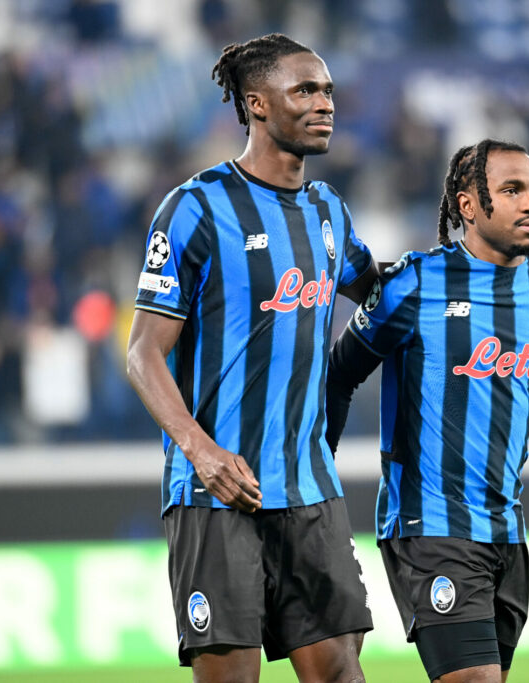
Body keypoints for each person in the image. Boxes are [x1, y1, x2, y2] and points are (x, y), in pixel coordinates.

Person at [325, 139, 529, 683]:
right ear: (468, 206)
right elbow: (337, 378)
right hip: (429, 524)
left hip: (506, 531)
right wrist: (317, 484)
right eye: (512, 191)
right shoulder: (415, 284)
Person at [126, 33, 377, 683]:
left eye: (327, 91)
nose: (324, 103)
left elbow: (383, 289)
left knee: (341, 673)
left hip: (308, 486)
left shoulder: (328, 212)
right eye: (305, 90)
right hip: (217, 492)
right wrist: (201, 451)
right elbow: (143, 353)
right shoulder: (195, 208)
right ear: (257, 103)